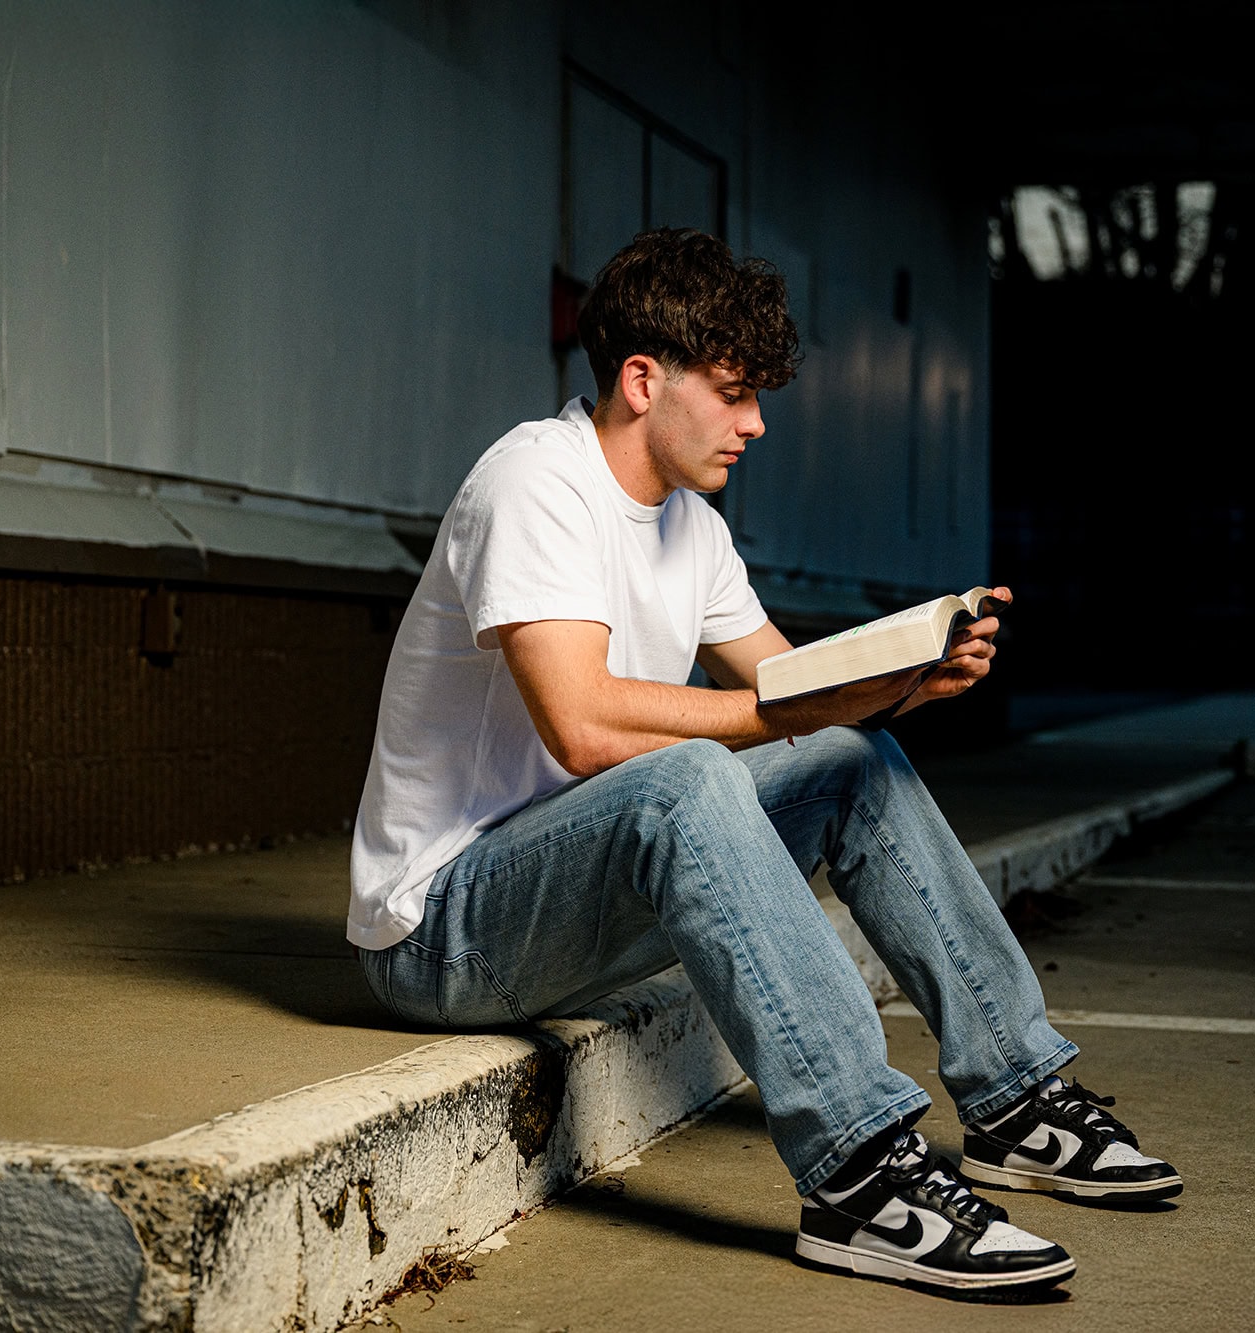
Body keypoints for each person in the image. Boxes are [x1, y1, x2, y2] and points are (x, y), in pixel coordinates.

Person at [349, 228, 1179, 1295]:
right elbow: (584, 729)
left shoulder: (690, 527)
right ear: (643, 382)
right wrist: (777, 710)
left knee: (849, 756)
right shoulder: (533, 482)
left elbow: (797, 704)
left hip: (575, 897)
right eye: (735, 393)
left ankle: (1013, 1099)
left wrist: (902, 680)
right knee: (686, 774)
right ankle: (858, 1174)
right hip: (444, 930)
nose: (751, 424)